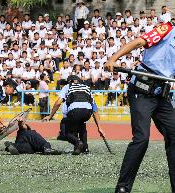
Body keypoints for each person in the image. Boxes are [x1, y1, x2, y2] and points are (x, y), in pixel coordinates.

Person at [106, 21, 175, 193]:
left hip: (161, 93)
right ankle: (123, 188)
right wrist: (114, 58)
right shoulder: (167, 29)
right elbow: (139, 42)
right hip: (142, 88)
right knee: (142, 138)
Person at [43, 75, 105, 155]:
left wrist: (50, 116)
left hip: (75, 111)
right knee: (82, 124)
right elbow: (95, 110)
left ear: (69, 82)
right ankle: (85, 148)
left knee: (64, 131)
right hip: (87, 112)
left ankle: (78, 143)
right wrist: (99, 128)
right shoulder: (86, 88)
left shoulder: (67, 87)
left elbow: (58, 102)